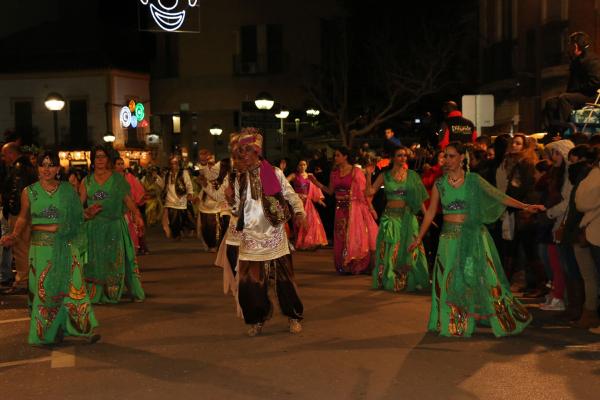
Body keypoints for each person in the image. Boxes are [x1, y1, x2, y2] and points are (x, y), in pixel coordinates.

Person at [408, 142, 543, 337]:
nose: (447, 160)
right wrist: (419, 237)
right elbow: (430, 212)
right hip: (449, 239)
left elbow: (499, 197)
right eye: (445, 156)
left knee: (482, 277)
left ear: (463, 158)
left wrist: (525, 206)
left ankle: (500, 317)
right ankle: (453, 323)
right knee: (449, 279)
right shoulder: (439, 184)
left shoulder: (474, 180)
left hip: (473, 236)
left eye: (452, 156)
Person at [1, 151, 99, 345]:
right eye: (43, 165)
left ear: (57, 168)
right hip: (41, 248)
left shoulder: (67, 190)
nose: (47, 169)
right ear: (37, 168)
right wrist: (14, 235)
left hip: (66, 245)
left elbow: (77, 216)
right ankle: (46, 332)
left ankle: (82, 329)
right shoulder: (29, 192)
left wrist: (87, 214)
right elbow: (22, 217)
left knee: (74, 286)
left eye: (51, 165)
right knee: (46, 290)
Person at [231, 129, 306, 336]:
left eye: (246, 150)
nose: (242, 155)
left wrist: (299, 212)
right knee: (249, 283)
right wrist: (230, 201)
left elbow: (290, 195)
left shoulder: (274, 172)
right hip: (250, 235)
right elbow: (237, 209)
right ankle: (256, 320)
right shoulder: (239, 179)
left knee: (284, 279)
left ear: (256, 151)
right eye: (240, 151)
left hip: (273, 232)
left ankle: (294, 316)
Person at [80, 145, 145, 304]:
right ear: (93, 160)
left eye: (103, 156)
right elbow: (78, 206)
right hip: (93, 228)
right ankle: (96, 293)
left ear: (108, 159)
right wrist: (87, 212)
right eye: (97, 157)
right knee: (95, 261)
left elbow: (128, 200)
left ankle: (112, 293)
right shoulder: (86, 181)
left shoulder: (117, 179)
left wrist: (137, 215)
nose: (100, 160)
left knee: (114, 260)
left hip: (114, 227)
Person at [367, 147, 430, 292]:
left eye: (405, 156)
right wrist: (368, 176)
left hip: (407, 217)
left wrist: (427, 215)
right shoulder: (385, 175)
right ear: (393, 158)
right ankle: (391, 279)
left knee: (410, 248)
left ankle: (410, 279)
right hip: (390, 217)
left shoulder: (412, 175)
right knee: (391, 249)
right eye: (399, 155)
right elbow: (369, 192)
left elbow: (420, 198)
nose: (403, 158)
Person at [310, 147, 378, 274]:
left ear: (345, 156)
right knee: (341, 237)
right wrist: (316, 182)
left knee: (354, 236)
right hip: (339, 209)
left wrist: (371, 208)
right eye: (335, 156)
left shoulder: (355, 171)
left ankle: (355, 265)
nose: (335, 158)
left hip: (354, 209)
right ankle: (343, 265)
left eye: (337, 155)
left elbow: (364, 192)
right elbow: (330, 191)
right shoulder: (334, 173)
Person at [544, 32, 600, 136]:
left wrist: (577, 90)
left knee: (564, 98)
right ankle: (552, 133)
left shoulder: (592, 60)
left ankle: (564, 132)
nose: (567, 48)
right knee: (550, 102)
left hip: (590, 95)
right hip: (579, 94)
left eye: (569, 45)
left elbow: (596, 81)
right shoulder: (576, 61)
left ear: (575, 46)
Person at [1, 142, 37, 292]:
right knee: (26, 247)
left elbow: (17, 193)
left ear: (11, 153)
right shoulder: (28, 167)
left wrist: (12, 211)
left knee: (20, 247)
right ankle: (28, 279)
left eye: (4, 154)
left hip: (20, 214)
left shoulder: (18, 169)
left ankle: (23, 281)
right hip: (28, 213)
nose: (3, 158)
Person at [287, 160, 328, 250]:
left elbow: (316, 188)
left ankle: (309, 242)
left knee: (311, 221)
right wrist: (295, 194)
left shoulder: (310, 176)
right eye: (300, 164)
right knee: (299, 222)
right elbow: (284, 184)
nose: (302, 166)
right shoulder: (294, 175)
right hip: (298, 201)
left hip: (308, 202)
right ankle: (301, 243)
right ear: (297, 166)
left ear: (306, 166)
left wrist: (319, 200)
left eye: (304, 164)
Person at [115, 158, 146, 254]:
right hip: (115, 212)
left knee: (131, 236)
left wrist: (134, 206)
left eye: (122, 164)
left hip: (129, 212)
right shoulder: (110, 179)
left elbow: (139, 192)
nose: (120, 166)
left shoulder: (129, 177)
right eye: (118, 164)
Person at [162, 156, 195, 240]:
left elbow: (188, 183)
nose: (174, 165)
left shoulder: (183, 172)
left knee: (181, 217)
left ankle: (181, 230)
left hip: (181, 198)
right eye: (172, 163)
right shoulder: (167, 174)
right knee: (172, 218)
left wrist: (190, 193)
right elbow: (164, 185)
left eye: (175, 163)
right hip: (170, 199)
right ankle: (176, 234)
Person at [196, 149, 222, 250]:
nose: (210, 166)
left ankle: (215, 246)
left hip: (215, 207)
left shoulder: (219, 176)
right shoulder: (205, 173)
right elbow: (202, 172)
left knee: (214, 228)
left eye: (212, 164)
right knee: (205, 228)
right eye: (209, 164)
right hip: (204, 206)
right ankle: (209, 245)